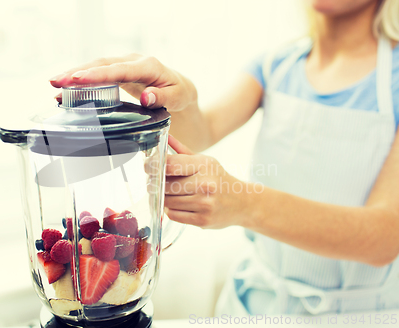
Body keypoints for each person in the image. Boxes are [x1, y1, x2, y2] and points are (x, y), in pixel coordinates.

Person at [49, 0, 399, 315]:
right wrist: (176, 97)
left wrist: (244, 203)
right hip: (253, 305)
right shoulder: (276, 65)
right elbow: (203, 130)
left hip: (357, 314)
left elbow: (386, 237)